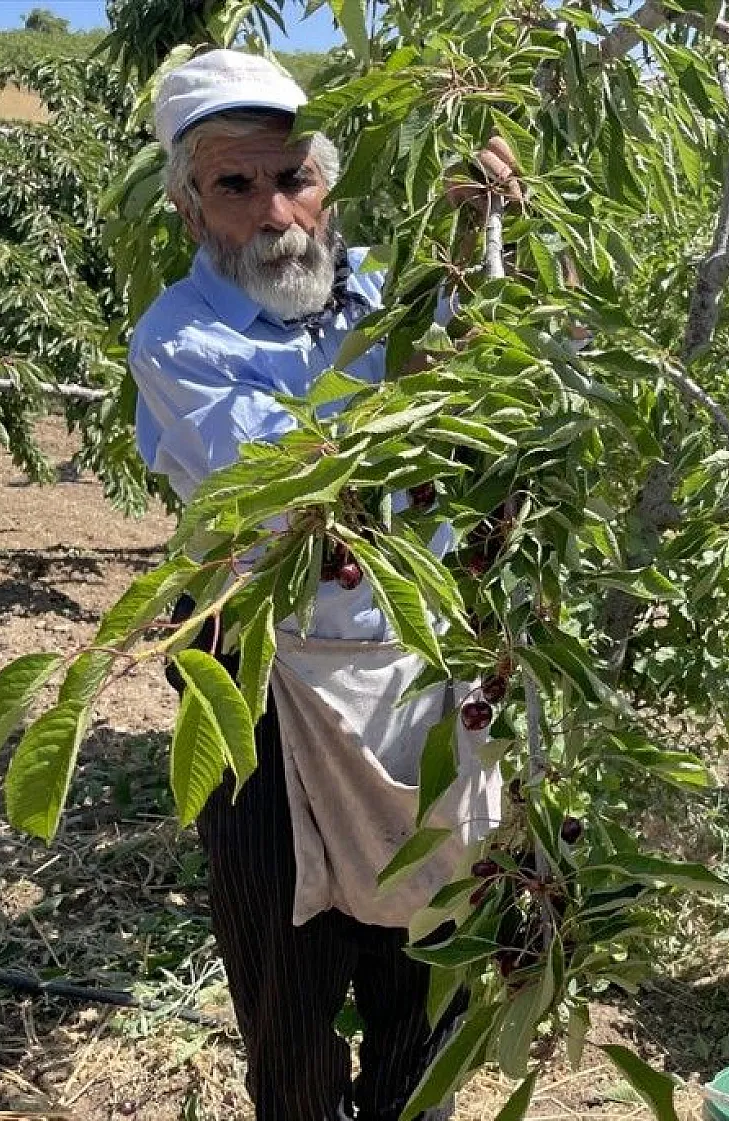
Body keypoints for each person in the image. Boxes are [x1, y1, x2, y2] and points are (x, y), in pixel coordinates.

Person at [129, 49, 523, 1121]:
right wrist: (423, 379)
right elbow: (285, 483)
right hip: (260, 679)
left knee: (423, 971)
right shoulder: (179, 337)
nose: (276, 212)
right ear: (188, 207)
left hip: (412, 674)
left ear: (330, 183)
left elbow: (516, 379)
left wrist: (495, 247)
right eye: (236, 185)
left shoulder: (387, 299)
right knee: (286, 987)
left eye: (294, 177)